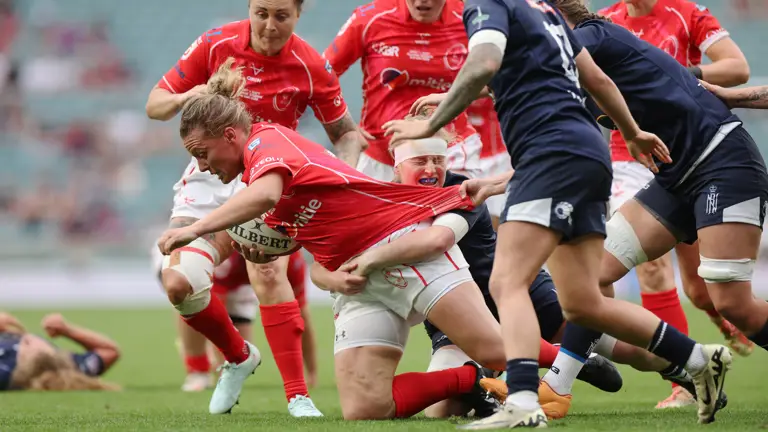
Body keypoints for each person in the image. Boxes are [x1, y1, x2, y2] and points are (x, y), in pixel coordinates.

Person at [382, 0, 729, 428]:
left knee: (509, 281)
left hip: (550, 152)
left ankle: (524, 403)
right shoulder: (545, 12)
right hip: (587, 152)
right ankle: (698, 359)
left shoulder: (489, 5)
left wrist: (429, 125)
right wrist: (632, 132)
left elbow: (485, 61)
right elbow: (596, 78)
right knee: (583, 303)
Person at [154, 63, 554, 421]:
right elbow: (308, 239)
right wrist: (282, 245)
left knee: (501, 349)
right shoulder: (254, 174)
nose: (202, 165)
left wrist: (195, 229)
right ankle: (472, 379)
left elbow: (265, 197)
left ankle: (572, 358)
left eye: (203, 154)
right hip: (361, 276)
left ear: (229, 135)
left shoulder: (266, 143)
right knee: (365, 408)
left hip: (396, 245)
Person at [145, 0, 367, 416]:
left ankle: (298, 396)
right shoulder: (215, 44)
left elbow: (347, 134)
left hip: (270, 179)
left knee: (266, 271)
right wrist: (186, 96)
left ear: (299, 14)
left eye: (281, 15)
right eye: (260, 12)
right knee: (179, 283)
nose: (268, 25)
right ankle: (237, 355)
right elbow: (154, 104)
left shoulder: (310, 65)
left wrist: (343, 175)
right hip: (210, 176)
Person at [597, 0, 753, 408]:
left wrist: (670, 76)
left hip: (691, 151)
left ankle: (722, 318)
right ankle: (684, 382)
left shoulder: (685, 12)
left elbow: (737, 69)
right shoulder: (605, 22)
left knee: (702, 292)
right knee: (644, 268)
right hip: (630, 157)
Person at [323, 0, 486, 181]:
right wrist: (345, 125)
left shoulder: (473, 18)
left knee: (453, 209)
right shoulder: (370, 18)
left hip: (450, 150)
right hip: (380, 156)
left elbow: (503, 78)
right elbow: (320, 74)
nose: (423, 1)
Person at [0, 312, 120, 391]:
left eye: (26, 342)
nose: (25, 337)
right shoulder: (69, 366)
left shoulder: (5, 370)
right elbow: (109, 351)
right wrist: (67, 330)